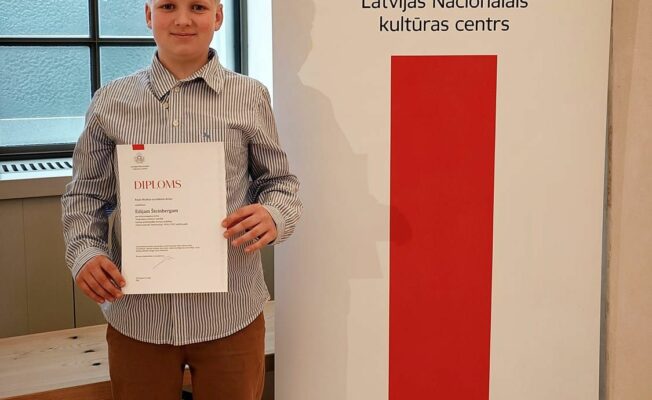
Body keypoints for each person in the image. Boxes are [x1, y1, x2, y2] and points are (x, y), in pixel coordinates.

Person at [61, 0, 301, 398]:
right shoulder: (111, 102)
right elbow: (85, 194)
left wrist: (273, 215)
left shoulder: (249, 96)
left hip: (230, 314)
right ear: (148, 15)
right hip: (138, 318)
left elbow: (279, 182)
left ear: (218, 17)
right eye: (168, 6)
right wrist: (85, 252)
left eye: (199, 7)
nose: (183, 19)